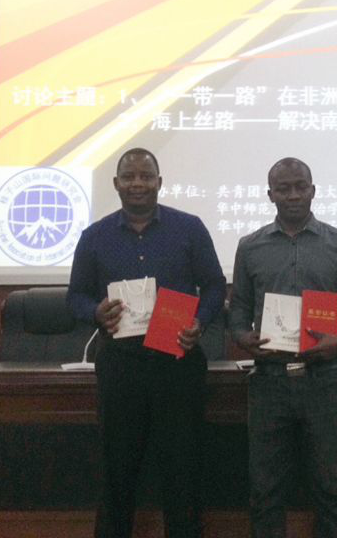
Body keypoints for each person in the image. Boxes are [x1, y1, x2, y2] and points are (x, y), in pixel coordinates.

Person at [67, 147, 226, 538]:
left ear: (160, 182)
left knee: (182, 471)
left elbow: (214, 286)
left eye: (146, 176)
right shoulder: (95, 236)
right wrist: (95, 312)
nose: (137, 183)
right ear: (116, 183)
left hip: (178, 363)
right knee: (117, 471)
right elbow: (75, 297)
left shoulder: (189, 228)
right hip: (120, 366)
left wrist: (199, 322)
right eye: (129, 176)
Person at [229, 157, 337, 538]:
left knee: (332, 488)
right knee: (265, 491)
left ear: (313, 190)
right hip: (269, 381)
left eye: (300, 187)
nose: (293, 195)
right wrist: (243, 337)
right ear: (270, 195)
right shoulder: (250, 247)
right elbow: (238, 310)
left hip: (324, 381)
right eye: (284, 188)